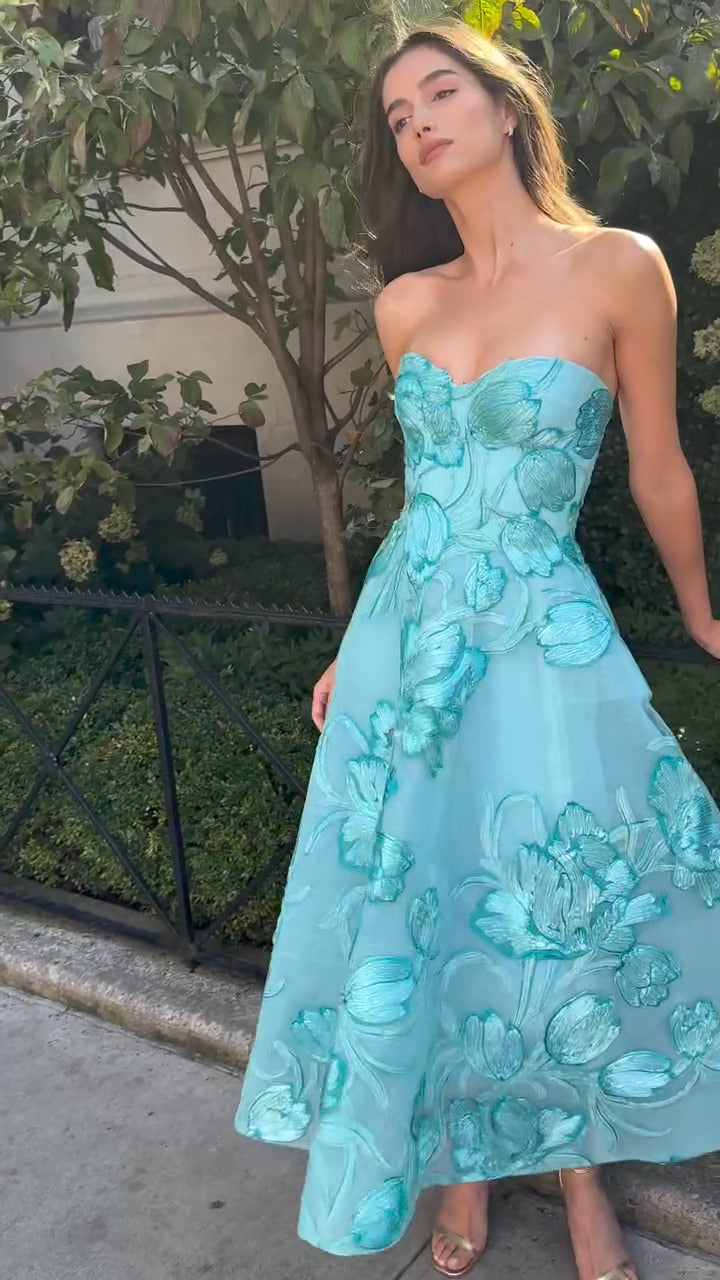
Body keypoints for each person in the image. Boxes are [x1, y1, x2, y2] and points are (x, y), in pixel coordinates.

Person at [234, 17, 720, 1280]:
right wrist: (359, 644)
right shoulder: (407, 303)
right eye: (398, 118)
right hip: (410, 653)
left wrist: (702, 609)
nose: (419, 125)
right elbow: (423, 500)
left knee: (554, 910)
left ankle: (581, 1176)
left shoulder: (619, 266)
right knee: (433, 900)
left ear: (507, 108)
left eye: (440, 93)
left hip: (540, 640)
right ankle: (460, 1157)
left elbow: (659, 467)